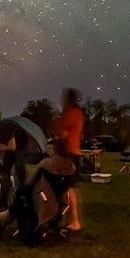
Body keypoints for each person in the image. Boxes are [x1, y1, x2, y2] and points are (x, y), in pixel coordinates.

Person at [53, 87, 85, 231]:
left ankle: (75, 221)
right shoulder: (79, 113)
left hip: (69, 153)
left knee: (69, 189)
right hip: (75, 152)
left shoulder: (72, 113)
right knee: (72, 188)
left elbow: (63, 132)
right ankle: (71, 219)